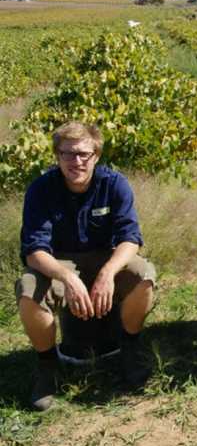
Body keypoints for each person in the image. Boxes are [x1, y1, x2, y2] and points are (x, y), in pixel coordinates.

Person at [16, 122, 156, 410]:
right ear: (57, 156)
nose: (75, 161)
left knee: (143, 275)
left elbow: (130, 239)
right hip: (58, 261)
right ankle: (48, 366)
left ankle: (130, 346)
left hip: (106, 256)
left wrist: (107, 272)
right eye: (67, 154)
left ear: (96, 156)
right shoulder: (41, 189)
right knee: (28, 288)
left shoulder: (113, 184)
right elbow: (34, 251)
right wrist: (66, 276)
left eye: (83, 154)